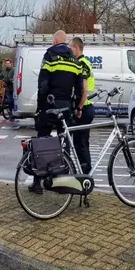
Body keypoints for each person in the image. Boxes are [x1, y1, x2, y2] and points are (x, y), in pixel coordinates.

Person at [30, 30, 84, 194]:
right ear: (66, 42)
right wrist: (75, 107)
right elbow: (79, 89)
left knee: (42, 141)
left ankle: (38, 183)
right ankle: (62, 182)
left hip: (49, 104)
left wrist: (40, 108)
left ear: (55, 41)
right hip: (66, 106)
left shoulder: (50, 56)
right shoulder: (75, 61)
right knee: (64, 141)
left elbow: (43, 84)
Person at [69, 37, 95, 176]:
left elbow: (84, 90)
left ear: (76, 48)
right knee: (79, 142)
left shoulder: (82, 64)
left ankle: (86, 174)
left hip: (84, 108)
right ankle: (82, 172)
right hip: (85, 107)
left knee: (81, 143)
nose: (69, 50)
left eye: (70, 47)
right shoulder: (83, 62)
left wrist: (79, 107)